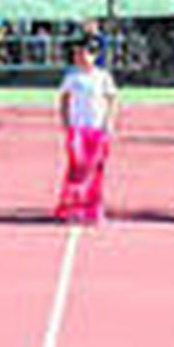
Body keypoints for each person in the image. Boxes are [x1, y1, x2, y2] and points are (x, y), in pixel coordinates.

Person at [56, 37, 119, 224]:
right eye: (77, 54)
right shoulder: (72, 78)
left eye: (84, 54)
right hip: (78, 129)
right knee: (76, 169)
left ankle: (92, 208)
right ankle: (72, 207)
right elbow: (64, 100)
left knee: (95, 170)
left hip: (96, 128)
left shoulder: (103, 77)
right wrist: (66, 123)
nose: (80, 58)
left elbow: (112, 99)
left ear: (94, 55)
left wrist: (109, 123)